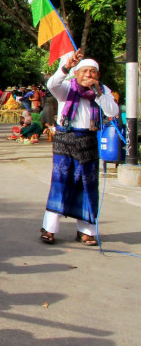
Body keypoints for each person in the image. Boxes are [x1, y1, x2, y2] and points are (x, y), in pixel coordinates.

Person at [40, 52, 119, 246]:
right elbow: (52, 85)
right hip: (65, 139)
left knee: (87, 185)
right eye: (85, 71)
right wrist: (65, 67)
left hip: (88, 140)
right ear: (76, 73)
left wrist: (98, 92)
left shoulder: (102, 90)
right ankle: (49, 229)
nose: (88, 75)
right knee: (61, 183)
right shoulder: (66, 88)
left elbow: (113, 112)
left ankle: (86, 231)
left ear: (98, 75)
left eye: (93, 72)